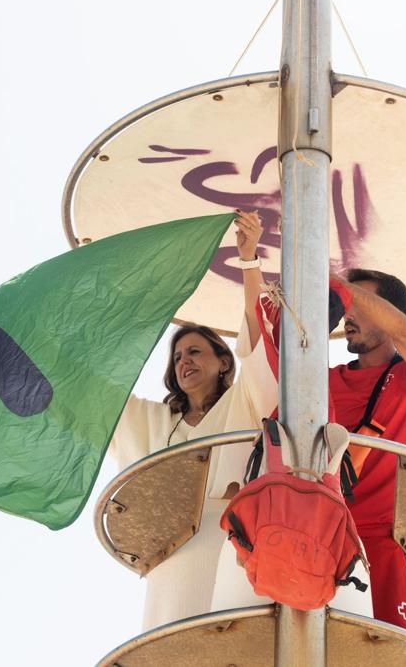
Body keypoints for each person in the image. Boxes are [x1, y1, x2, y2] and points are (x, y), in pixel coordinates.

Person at [107, 210, 276, 630]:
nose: (184, 361)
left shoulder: (244, 401)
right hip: (171, 555)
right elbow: (96, 397)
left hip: (237, 546)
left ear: (223, 362)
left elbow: (256, 334)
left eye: (195, 352)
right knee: (170, 644)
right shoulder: (155, 421)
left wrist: (249, 261)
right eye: (178, 357)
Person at [328, 269, 406, 632]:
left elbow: (405, 333)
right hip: (315, 534)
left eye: (360, 304)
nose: (348, 313)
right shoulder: (324, 381)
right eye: (347, 305)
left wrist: (333, 278)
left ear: (389, 311)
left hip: (378, 545)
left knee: (384, 652)